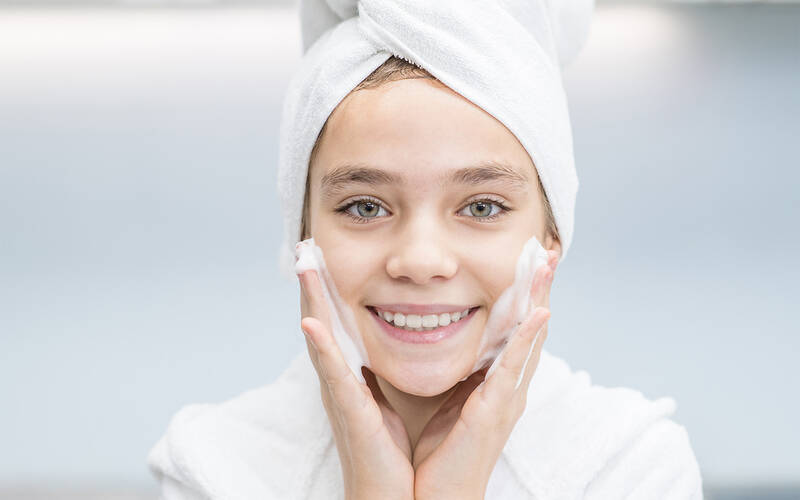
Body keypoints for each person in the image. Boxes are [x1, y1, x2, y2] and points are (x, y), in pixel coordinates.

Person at [148, 1, 704, 499]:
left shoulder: (629, 469)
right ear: (302, 238)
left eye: (482, 207)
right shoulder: (214, 469)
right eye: (366, 207)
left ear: (551, 240)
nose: (420, 261)